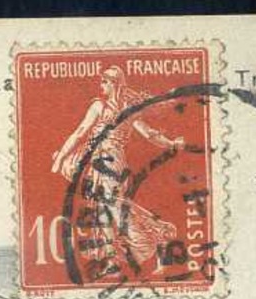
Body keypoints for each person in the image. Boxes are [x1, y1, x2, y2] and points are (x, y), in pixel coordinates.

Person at [50, 65, 185, 274]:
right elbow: (81, 133)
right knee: (102, 208)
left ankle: (161, 235)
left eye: (104, 82)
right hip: (98, 161)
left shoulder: (104, 107)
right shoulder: (111, 107)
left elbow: (80, 133)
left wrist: (171, 143)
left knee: (114, 205)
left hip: (110, 161)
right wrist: (62, 156)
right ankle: (112, 259)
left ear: (114, 84)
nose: (101, 85)